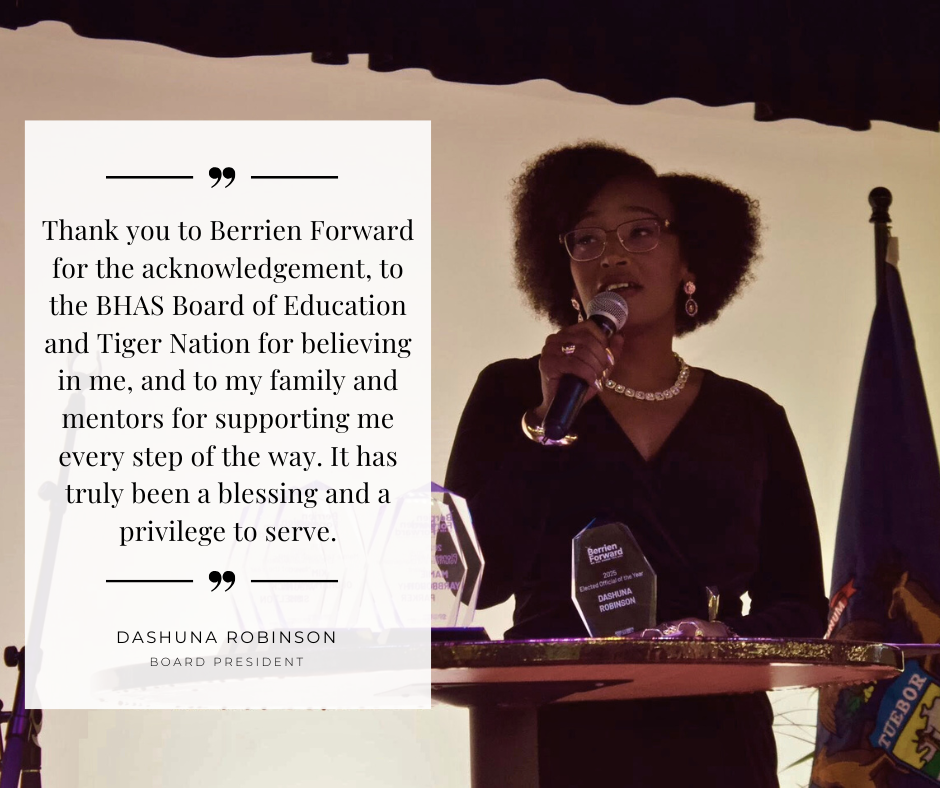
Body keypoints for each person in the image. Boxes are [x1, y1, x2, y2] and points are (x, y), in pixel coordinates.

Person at [444, 142, 828, 787]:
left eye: (641, 231)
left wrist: (724, 636)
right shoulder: (512, 393)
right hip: (553, 730)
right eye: (586, 240)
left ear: (690, 260)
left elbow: (799, 606)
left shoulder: (753, 416)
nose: (614, 254)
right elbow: (470, 582)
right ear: (563, 271)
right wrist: (546, 422)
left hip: (715, 736)